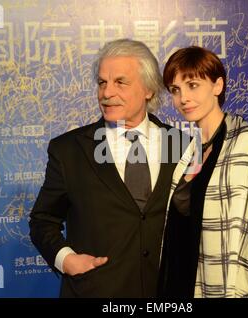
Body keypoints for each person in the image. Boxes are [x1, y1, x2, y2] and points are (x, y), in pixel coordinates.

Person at [29, 39, 186, 297]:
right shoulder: (69, 150)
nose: (106, 93)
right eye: (102, 82)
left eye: (120, 82)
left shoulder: (181, 145)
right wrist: (66, 259)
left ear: (148, 89)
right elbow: (42, 221)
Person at [157, 46, 248, 298]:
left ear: (217, 85)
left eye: (192, 85)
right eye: (175, 90)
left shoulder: (246, 142)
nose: (183, 99)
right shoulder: (187, 152)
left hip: (227, 285)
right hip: (181, 285)